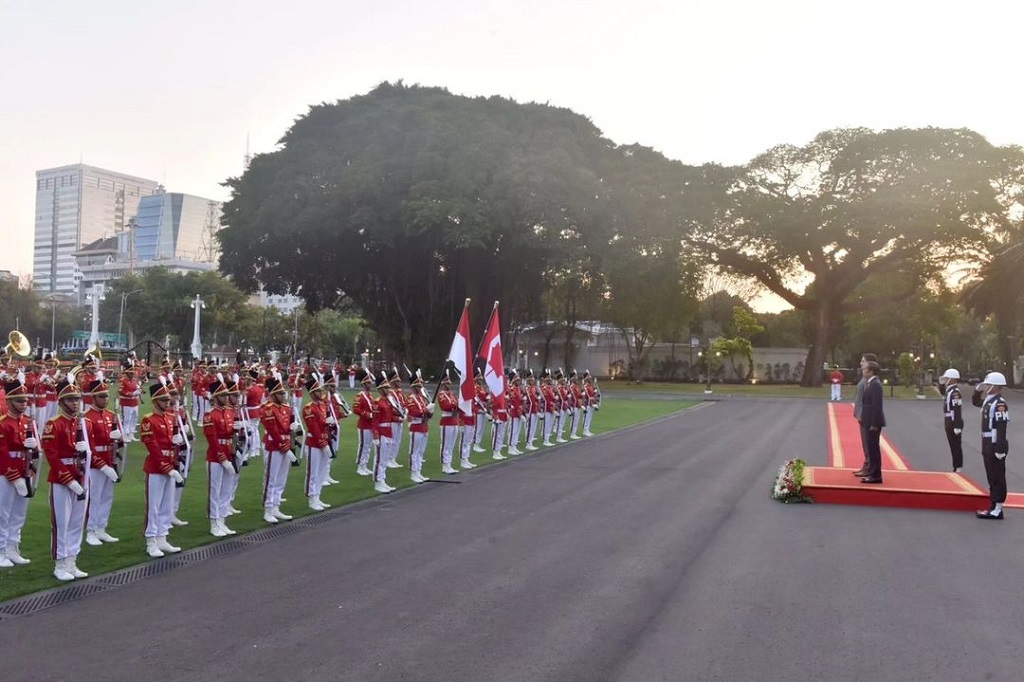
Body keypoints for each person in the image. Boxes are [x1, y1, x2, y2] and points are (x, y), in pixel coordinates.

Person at [43, 377, 91, 580]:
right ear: (61, 402)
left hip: (82, 477)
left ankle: (72, 560)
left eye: (76, 399)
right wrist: (68, 479)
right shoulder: (53, 424)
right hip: (62, 479)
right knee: (61, 522)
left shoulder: (83, 422)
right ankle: (60, 564)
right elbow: (51, 455)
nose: (74, 403)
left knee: (77, 521)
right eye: (70, 399)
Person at [140, 379, 185, 558]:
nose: (168, 403)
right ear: (155, 401)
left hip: (170, 464)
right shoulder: (148, 420)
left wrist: (178, 444)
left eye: (169, 400)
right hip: (156, 467)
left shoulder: (170, 418)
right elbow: (152, 446)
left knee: (166, 505)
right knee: (154, 505)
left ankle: (162, 536)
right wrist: (167, 467)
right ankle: (151, 540)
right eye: (164, 400)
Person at [0, 376, 38, 567]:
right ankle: (0, 550)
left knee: (19, 514)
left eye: (25, 400)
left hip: (25, 470)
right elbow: (2, 451)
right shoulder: (3, 422)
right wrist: (14, 477)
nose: (24, 404)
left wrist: (34, 447)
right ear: (9, 401)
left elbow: (35, 451)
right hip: (6, 474)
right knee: (3, 513)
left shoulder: (28, 422)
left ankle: (13, 548)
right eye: (19, 400)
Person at [83, 379, 123, 547]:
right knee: (94, 497)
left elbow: (119, 442)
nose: (105, 399)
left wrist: (119, 437)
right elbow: (89, 448)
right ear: (93, 397)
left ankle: (101, 528)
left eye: (106, 396)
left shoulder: (110, 415)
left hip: (110, 461)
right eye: (101, 396)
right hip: (95, 465)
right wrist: (103, 466)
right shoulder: (86, 418)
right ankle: (91, 531)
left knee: (107, 497)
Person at [261, 375, 299, 523]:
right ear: (273, 395)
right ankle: (268, 509)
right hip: (274, 447)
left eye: (284, 393)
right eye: (281, 393)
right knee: (271, 478)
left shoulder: (287, 408)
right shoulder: (269, 409)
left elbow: (287, 429)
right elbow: (273, 431)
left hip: (285, 445)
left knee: (281, 479)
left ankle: (276, 506)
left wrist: (292, 429)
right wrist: (285, 448)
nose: (284, 396)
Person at [972, 372, 1010, 520]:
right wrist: (977, 390)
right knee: (991, 475)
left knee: (997, 475)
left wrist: (1000, 449)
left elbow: (1001, 427)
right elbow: (976, 402)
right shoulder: (989, 400)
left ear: (996, 386)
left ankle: (998, 508)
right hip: (987, 442)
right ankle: (993, 505)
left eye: (989, 385)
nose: (986, 387)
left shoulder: (999, 404)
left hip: (995, 443)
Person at [203, 378, 237, 537]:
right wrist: (222, 458)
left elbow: (230, 434)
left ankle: (222, 520)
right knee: (215, 490)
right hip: (216, 456)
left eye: (227, 395)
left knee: (226, 489)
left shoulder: (230, 411)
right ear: (216, 397)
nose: (226, 398)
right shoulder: (210, 415)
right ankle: (213, 522)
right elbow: (212, 438)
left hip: (229, 452)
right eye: (223, 395)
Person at [301, 374, 332, 511]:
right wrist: (323, 443)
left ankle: (318, 496)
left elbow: (324, 424)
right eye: (319, 391)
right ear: (313, 393)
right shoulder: (309, 408)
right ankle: (311, 498)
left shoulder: (323, 406)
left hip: (324, 440)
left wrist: (329, 424)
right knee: (313, 472)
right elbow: (313, 428)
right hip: (314, 442)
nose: (321, 393)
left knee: (321, 471)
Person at [851, 353, 879, 477]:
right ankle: (867, 465)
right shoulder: (865, 379)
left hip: (866, 416)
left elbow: (870, 402)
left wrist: (862, 415)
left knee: (869, 444)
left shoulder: (870, 381)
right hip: (863, 415)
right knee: (866, 443)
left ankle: (869, 467)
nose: (861, 363)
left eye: (863, 361)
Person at [858, 361, 885, 484]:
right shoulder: (871, 383)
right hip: (868, 421)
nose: (862, 371)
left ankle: (875, 475)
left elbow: (876, 406)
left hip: (873, 423)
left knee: (873, 449)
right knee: (871, 448)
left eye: (864, 369)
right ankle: (872, 472)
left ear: (871, 371)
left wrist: (874, 423)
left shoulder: (876, 385)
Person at [404, 370, 432, 483]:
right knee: (414, 451)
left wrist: (430, 411)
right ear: (414, 386)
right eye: (418, 386)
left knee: (421, 451)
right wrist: (426, 409)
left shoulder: (421, 398)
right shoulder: (411, 398)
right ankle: (413, 473)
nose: (420, 388)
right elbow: (414, 412)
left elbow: (427, 414)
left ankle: (419, 471)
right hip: (416, 426)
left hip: (424, 426)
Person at [938, 369, 965, 472]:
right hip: (948, 419)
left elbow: (957, 409)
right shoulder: (950, 390)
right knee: (952, 444)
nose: (945, 380)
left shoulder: (955, 392)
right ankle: (955, 465)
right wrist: (940, 384)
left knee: (956, 445)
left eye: (946, 378)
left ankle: (958, 466)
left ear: (953, 379)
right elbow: (942, 393)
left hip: (953, 421)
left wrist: (957, 425)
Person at [353, 370, 377, 477]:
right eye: (368, 383)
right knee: (363, 445)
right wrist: (367, 414)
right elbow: (356, 409)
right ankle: (360, 466)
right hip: (363, 424)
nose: (370, 384)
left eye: (370, 382)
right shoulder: (360, 396)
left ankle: (365, 465)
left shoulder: (371, 396)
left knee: (368, 446)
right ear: (363, 384)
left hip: (371, 424)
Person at [436, 370, 461, 474]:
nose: (449, 385)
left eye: (449, 383)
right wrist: (457, 405)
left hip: (454, 420)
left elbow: (457, 404)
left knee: (451, 444)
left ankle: (449, 463)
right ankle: (445, 465)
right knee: (446, 444)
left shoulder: (451, 394)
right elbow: (445, 406)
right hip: (447, 420)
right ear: (443, 384)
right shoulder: (442, 395)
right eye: (447, 383)